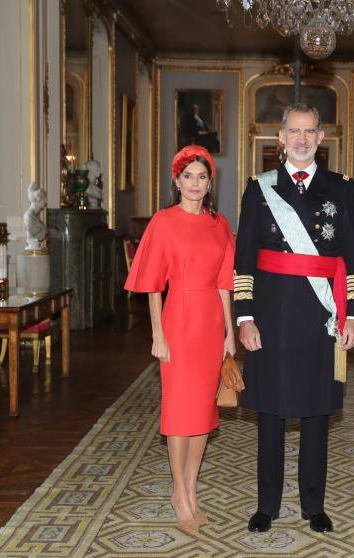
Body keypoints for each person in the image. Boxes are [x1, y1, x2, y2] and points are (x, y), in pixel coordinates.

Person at [234, 103, 354, 534]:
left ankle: (314, 504)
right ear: (281, 138)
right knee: (269, 412)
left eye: (310, 131)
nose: (302, 139)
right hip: (270, 316)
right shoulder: (259, 188)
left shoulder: (341, 188)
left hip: (320, 316)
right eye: (294, 131)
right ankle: (266, 505)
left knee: (316, 412)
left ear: (322, 137)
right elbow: (244, 260)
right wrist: (245, 317)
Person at [124, 145, 236, 534]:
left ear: (210, 184)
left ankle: (191, 487)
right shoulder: (163, 221)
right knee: (178, 411)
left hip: (210, 323)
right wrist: (157, 333)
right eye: (187, 176)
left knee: (203, 412)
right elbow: (153, 284)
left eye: (201, 177)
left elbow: (225, 283)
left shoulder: (219, 225)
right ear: (176, 180)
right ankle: (178, 491)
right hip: (177, 319)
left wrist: (230, 332)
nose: (194, 183)